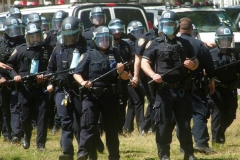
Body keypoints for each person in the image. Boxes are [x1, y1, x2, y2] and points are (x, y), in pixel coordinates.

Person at [141, 11, 199, 160]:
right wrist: (153, 75)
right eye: (165, 24)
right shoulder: (155, 43)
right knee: (163, 125)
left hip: (181, 90)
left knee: (185, 124)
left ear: (177, 26)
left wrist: (191, 65)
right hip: (163, 91)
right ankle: (164, 155)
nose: (167, 27)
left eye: (170, 24)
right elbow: (144, 62)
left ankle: (189, 153)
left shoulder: (185, 43)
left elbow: (196, 62)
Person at [74, 26, 129, 160]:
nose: (104, 41)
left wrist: (121, 71)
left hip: (110, 96)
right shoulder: (88, 54)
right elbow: (76, 73)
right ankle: (84, 152)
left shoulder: (115, 53)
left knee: (111, 128)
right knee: (88, 125)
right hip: (91, 96)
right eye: (101, 39)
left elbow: (126, 77)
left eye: (106, 39)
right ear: (95, 40)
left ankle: (114, 155)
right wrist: (83, 82)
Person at [7, 22, 53, 150]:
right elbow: (9, 65)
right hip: (25, 89)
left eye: (37, 36)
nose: (35, 39)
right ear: (27, 37)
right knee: (25, 117)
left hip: (42, 88)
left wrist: (47, 78)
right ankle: (26, 137)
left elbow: (53, 67)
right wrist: (14, 75)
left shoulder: (48, 49)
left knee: (42, 117)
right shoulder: (21, 49)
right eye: (32, 36)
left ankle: (41, 144)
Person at [46, 16, 84, 160]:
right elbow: (50, 70)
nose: (70, 38)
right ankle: (67, 151)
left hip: (79, 90)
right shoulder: (57, 49)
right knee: (65, 120)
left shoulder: (86, 49)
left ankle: (83, 150)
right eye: (67, 36)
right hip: (62, 90)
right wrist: (50, 82)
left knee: (79, 121)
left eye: (73, 35)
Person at [179, 18, 215, 154]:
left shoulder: (174, 44)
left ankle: (183, 146)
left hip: (178, 86)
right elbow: (210, 66)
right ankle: (201, 143)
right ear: (191, 30)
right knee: (199, 112)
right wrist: (211, 79)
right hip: (195, 85)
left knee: (181, 115)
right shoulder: (199, 44)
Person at [208, 26, 240, 147]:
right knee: (218, 113)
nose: (225, 42)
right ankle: (216, 140)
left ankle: (221, 131)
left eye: (228, 39)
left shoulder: (235, 54)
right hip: (216, 89)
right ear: (217, 40)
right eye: (223, 39)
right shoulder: (211, 54)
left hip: (231, 89)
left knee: (231, 114)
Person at [0, 16, 25, 143]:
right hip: (3, 82)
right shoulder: (1, 44)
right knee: (4, 109)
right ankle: (6, 133)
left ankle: (16, 134)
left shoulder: (23, 42)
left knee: (16, 107)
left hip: (17, 80)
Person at [134, 17, 160, 134]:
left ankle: (151, 126)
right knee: (153, 101)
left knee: (155, 101)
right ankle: (145, 127)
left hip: (158, 75)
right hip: (146, 76)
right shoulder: (145, 38)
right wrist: (136, 76)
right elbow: (138, 58)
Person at [108, 18, 132, 134]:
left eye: (119, 31)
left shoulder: (126, 45)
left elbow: (130, 61)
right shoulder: (107, 45)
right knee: (111, 105)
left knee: (123, 104)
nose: (117, 33)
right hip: (111, 79)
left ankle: (120, 128)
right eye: (115, 31)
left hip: (123, 79)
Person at [123, 20, 145, 134]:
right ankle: (142, 128)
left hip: (135, 77)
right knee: (139, 101)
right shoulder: (129, 46)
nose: (139, 34)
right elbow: (127, 64)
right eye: (136, 32)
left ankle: (127, 128)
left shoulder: (140, 43)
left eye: (141, 31)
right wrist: (132, 78)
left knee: (132, 104)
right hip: (130, 77)